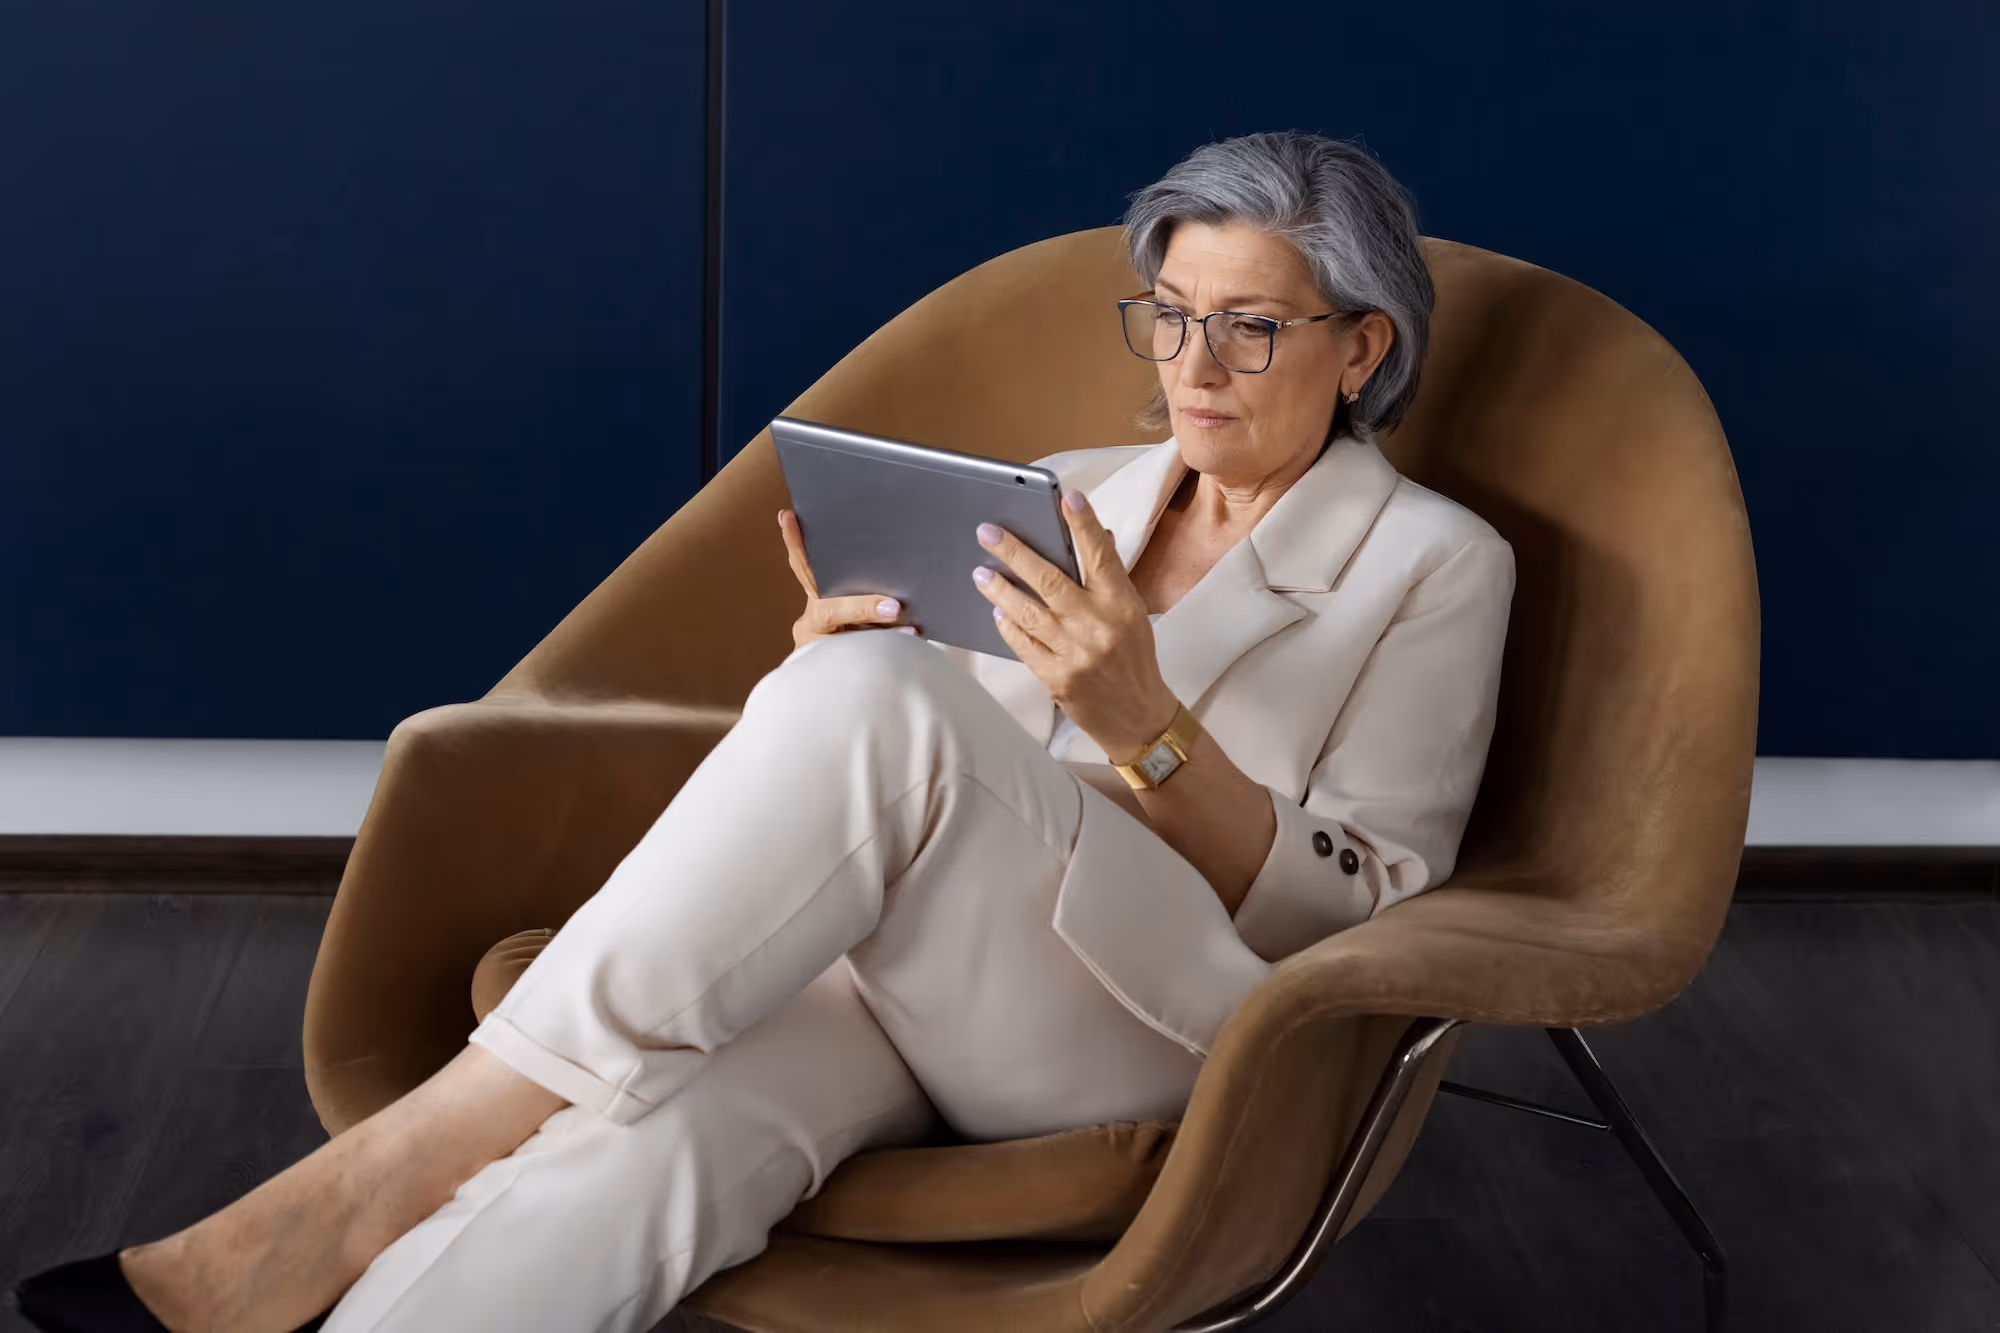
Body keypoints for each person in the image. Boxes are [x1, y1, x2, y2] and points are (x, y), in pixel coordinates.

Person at [14, 130, 1514, 1333]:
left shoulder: (1437, 564)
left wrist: (1146, 727)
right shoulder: (1068, 483)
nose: (1192, 367)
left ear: (1363, 349)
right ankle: (303, 1293)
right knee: (645, 1145)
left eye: (1249, 329)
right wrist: (829, 673)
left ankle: (375, 1171)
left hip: (1161, 1024)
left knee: (876, 704)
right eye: (1171, 316)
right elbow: (910, 755)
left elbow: (1364, 908)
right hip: (924, 965)